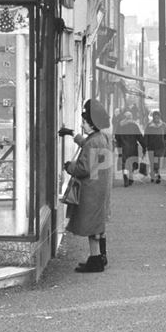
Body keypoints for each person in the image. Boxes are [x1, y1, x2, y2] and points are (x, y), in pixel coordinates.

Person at [59, 100, 114, 273]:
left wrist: (68, 166)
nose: (82, 124)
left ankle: (95, 260)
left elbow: (83, 168)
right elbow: (88, 144)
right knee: (98, 226)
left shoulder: (93, 142)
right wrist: (73, 135)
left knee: (92, 227)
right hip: (100, 187)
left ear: (91, 124)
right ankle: (100, 257)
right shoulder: (100, 138)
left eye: (83, 122)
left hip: (91, 190)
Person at [114, 111, 146, 186]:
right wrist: (144, 146)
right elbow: (139, 137)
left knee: (124, 164)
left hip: (123, 148)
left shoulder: (120, 125)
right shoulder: (134, 125)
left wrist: (118, 144)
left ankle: (125, 179)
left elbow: (116, 136)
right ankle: (131, 178)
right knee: (131, 163)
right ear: (131, 117)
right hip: (132, 148)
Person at [144, 110, 166, 183]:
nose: (156, 118)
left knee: (158, 162)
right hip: (151, 147)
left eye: (157, 117)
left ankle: (158, 174)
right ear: (153, 118)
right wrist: (145, 145)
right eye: (155, 117)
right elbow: (146, 136)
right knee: (152, 162)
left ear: (159, 117)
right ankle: (153, 175)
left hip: (161, 146)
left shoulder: (163, 125)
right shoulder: (149, 126)